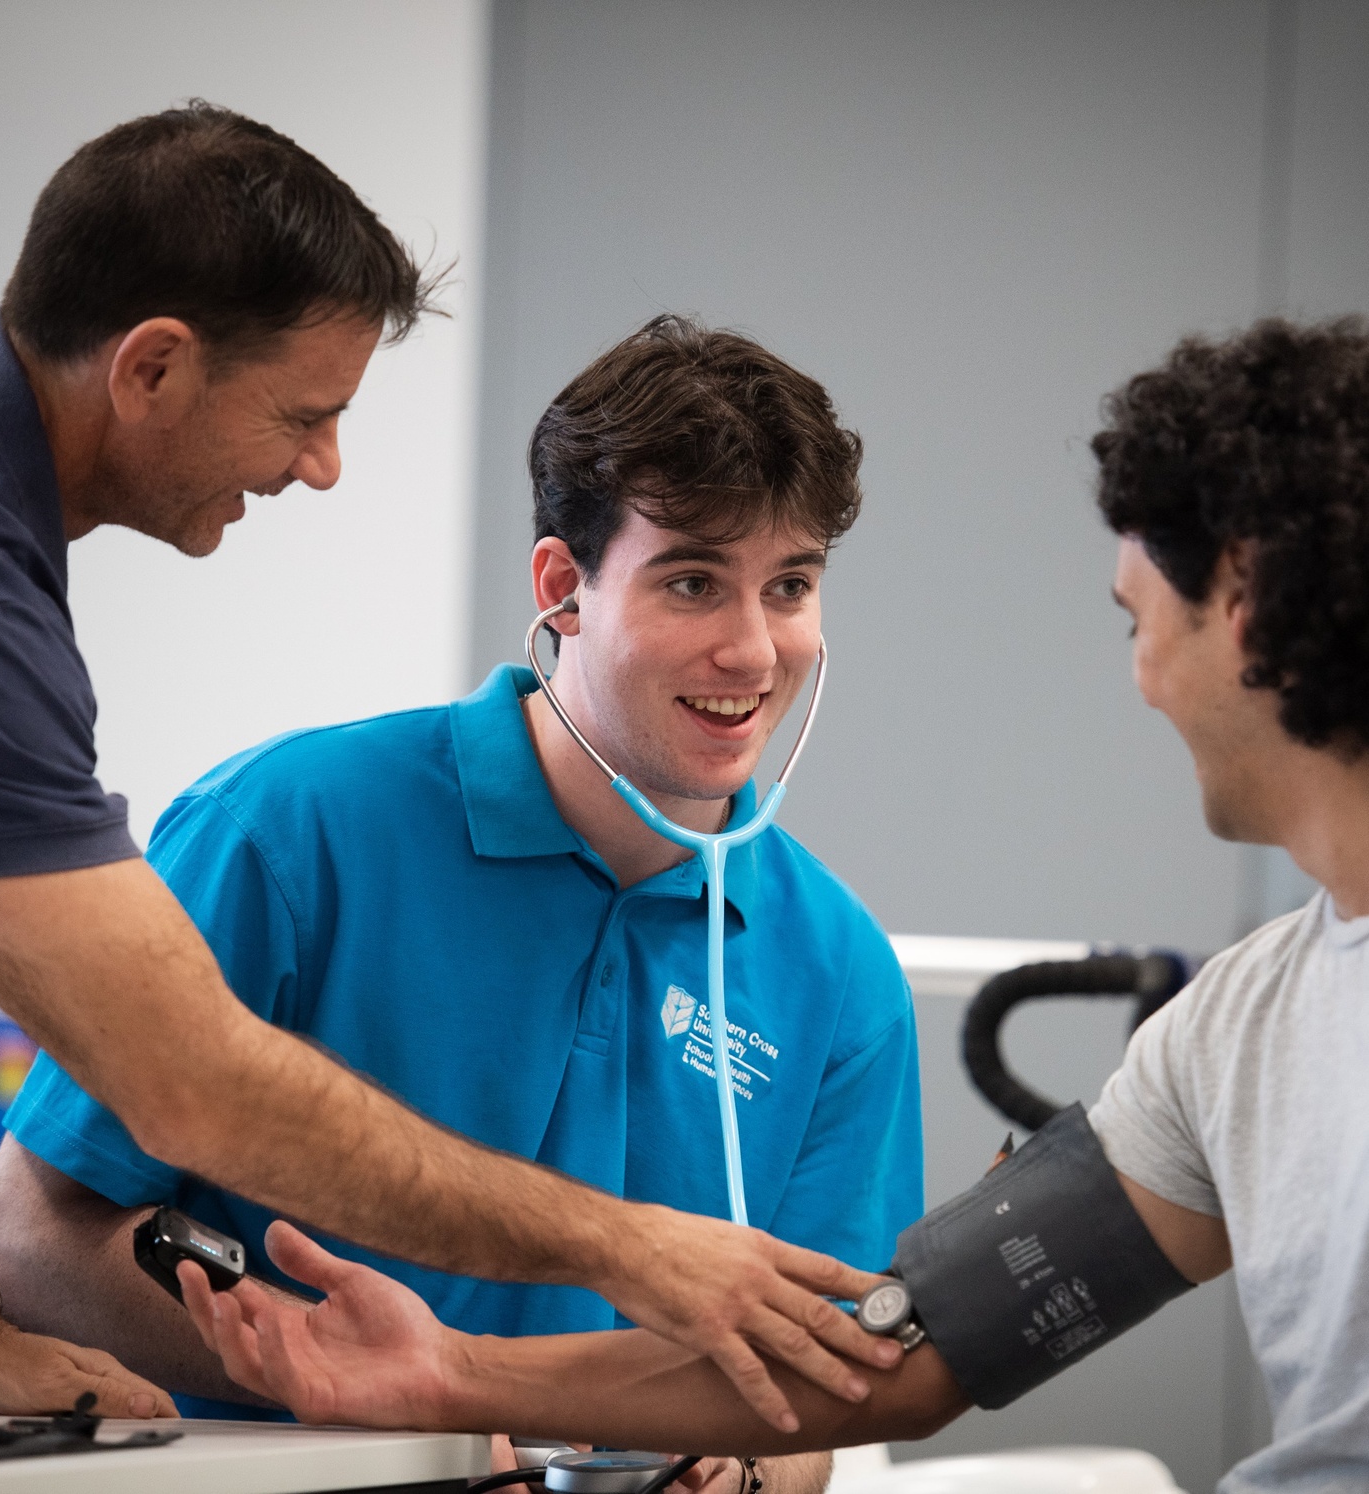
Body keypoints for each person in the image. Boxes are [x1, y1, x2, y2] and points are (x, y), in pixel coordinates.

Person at [177, 316, 1369, 1490]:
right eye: (694, 581)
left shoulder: (838, 969)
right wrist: (452, 1374)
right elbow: (905, 1352)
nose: (1141, 675)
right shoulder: (1236, 1034)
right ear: (564, 588)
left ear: (1247, 603)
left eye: (1137, 619)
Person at [0, 103, 892, 1427]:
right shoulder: (258, 803)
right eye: (304, 414)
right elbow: (184, 1086)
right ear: (153, 368)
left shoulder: (837, 967)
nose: (323, 466)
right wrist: (623, 1246)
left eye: (792, 584)